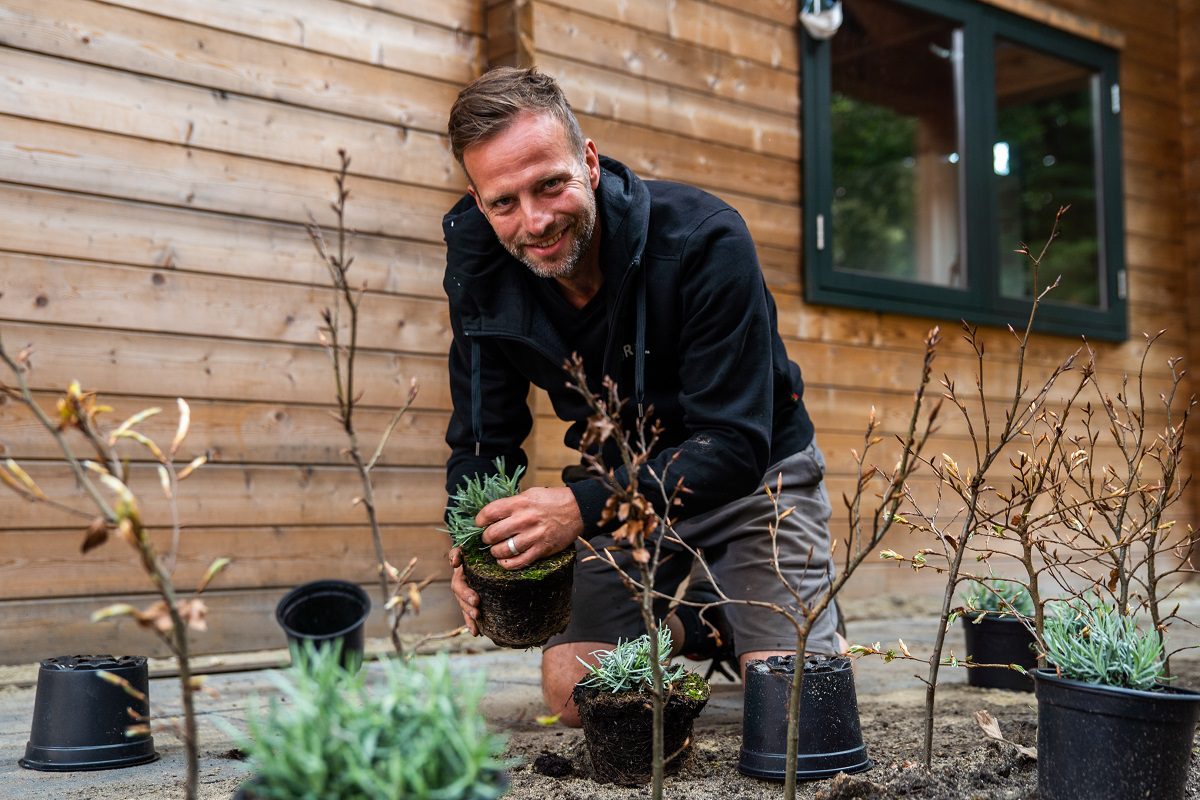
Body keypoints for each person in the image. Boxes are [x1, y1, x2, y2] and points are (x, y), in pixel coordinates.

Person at [442, 67, 841, 726]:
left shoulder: (704, 239)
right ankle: (709, 623)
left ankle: (770, 618)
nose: (534, 222)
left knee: (798, 715)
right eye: (503, 201)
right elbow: (484, 438)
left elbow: (736, 445)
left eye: (550, 185)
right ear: (478, 200)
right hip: (620, 494)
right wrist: (476, 547)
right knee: (580, 697)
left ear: (590, 162)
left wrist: (575, 507)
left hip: (754, 482)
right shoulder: (481, 267)